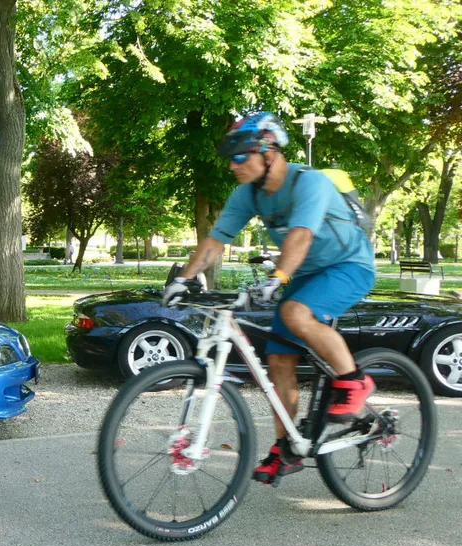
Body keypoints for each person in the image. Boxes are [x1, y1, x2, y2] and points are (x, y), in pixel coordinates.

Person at [161, 112, 377, 486]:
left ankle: (354, 382)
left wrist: (277, 278)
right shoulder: (248, 194)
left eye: (241, 155)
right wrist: (183, 278)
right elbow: (216, 240)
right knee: (279, 359)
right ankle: (286, 447)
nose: (232, 164)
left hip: (349, 265)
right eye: (230, 157)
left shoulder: (310, 183)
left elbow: (301, 237)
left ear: (270, 152)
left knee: (294, 313)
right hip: (307, 274)